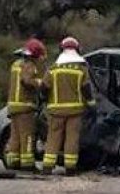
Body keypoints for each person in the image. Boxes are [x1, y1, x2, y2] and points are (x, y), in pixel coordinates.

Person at [42, 36, 95, 175]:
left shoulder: (53, 68)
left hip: (55, 110)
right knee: (72, 138)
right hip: (75, 111)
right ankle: (70, 168)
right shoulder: (81, 69)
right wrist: (91, 103)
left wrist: (45, 100)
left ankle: (48, 166)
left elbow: (44, 87)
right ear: (77, 50)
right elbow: (86, 88)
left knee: (53, 137)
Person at [3, 38, 46, 170]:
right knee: (27, 136)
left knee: (15, 136)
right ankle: (28, 164)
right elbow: (27, 81)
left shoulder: (15, 64)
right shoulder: (29, 65)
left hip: (13, 105)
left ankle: (13, 162)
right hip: (25, 106)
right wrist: (40, 83)